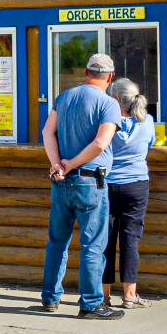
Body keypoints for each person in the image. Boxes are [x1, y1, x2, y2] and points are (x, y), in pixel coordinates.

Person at [41, 52, 124, 320]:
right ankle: (90, 304)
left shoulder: (64, 97)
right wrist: (71, 164)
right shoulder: (108, 103)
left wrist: (58, 164)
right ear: (110, 78)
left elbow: (47, 132)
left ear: (86, 72)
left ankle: (50, 298)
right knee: (93, 245)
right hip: (90, 181)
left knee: (57, 242)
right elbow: (100, 144)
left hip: (61, 182)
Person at [104, 78, 157, 309]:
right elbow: (149, 144)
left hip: (107, 185)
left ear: (116, 99)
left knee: (105, 241)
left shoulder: (106, 123)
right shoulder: (148, 122)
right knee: (130, 240)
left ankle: (103, 295)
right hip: (137, 185)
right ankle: (129, 295)